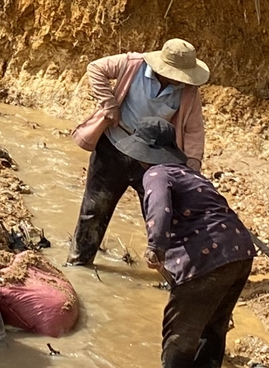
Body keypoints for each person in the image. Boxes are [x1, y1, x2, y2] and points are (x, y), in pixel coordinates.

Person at [119, 116, 256, 368]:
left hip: (207, 258)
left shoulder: (156, 175)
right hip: (240, 251)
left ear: (143, 153)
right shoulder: (191, 174)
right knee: (214, 323)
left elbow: (160, 207)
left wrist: (156, 247)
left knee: (180, 330)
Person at [66, 38, 208, 266]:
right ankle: (79, 263)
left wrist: (193, 162)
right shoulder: (132, 64)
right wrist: (109, 105)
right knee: (94, 210)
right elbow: (95, 68)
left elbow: (193, 128)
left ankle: (173, 275)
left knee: (162, 215)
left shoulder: (189, 91)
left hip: (154, 160)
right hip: (113, 148)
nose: (177, 79)